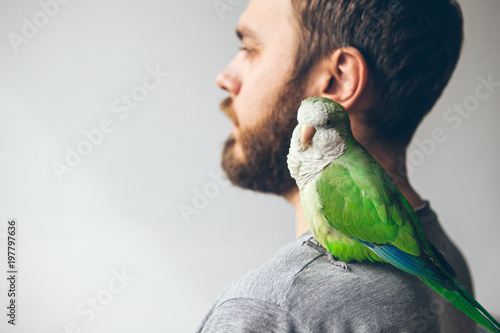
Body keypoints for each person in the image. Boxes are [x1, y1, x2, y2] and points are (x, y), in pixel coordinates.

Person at [197, 0, 477, 331]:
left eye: (249, 48)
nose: (224, 77)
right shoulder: (445, 249)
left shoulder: (272, 308)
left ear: (338, 79)